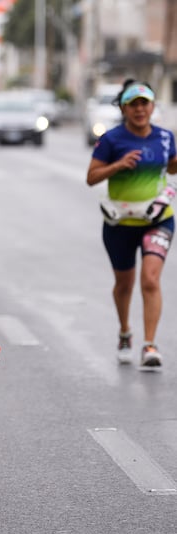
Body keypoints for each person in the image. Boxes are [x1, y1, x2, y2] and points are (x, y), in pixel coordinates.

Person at [86, 79, 177, 368]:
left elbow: (171, 164)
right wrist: (118, 164)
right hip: (120, 223)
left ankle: (149, 345)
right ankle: (125, 331)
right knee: (123, 284)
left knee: (150, 280)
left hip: (158, 220)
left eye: (144, 103)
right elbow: (91, 177)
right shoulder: (111, 140)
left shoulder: (165, 137)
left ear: (152, 106)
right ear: (124, 108)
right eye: (133, 104)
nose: (139, 109)